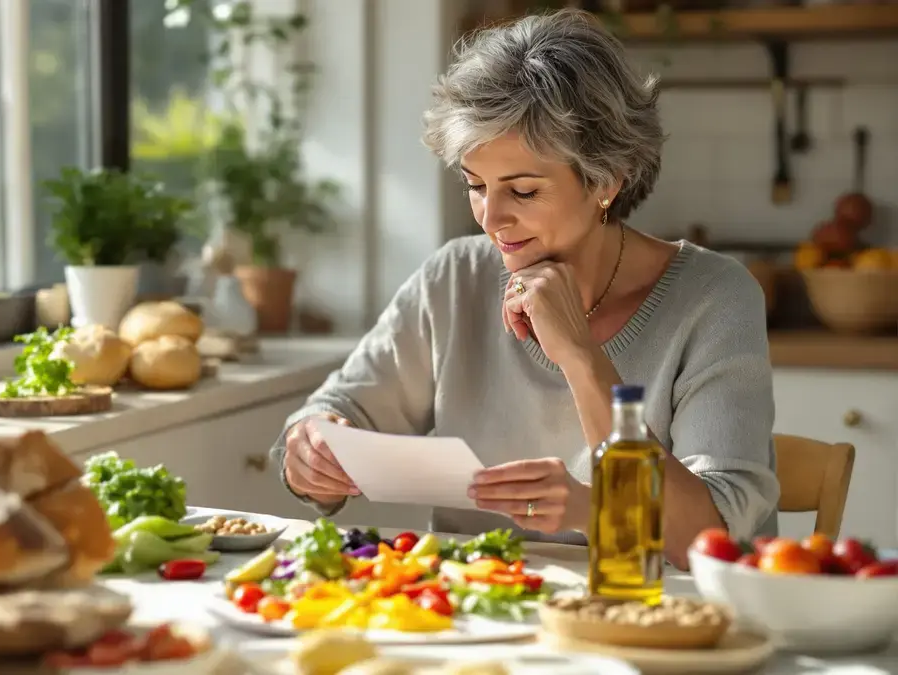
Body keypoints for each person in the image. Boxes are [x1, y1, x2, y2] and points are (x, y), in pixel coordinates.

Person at [269, 9, 779, 569]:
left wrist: (582, 360)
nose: (491, 219)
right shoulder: (456, 278)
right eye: (475, 185)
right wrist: (311, 451)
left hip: (647, 619)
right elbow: (340, 410)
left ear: (606, 180)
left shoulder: (715, 298)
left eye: (524, 191)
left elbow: (710, 540)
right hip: (476, 617)